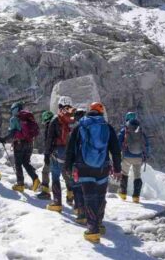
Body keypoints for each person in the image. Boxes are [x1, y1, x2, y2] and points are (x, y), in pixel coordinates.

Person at [65, 102, 121, 244]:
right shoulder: (107, 127)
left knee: (89, 197)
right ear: (101, 113)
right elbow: (115, 149)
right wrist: (117, 169)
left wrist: (68, 166)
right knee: (100, 196)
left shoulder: (80, 126)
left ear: (90, 111)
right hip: (102, 167)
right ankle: (99, 224)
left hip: (84, 167)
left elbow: (70, 148)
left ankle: (92, 230)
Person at [0, 102, 40, 192]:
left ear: (15, 109)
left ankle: (20, 184)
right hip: (30, 143)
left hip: (19, 144)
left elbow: (12, 133)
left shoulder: (14, 119)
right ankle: (35, 178)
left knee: (18, 164)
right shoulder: (28, 118)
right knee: (26, 163)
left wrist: (3, 139)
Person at [43, 99, 76, 213]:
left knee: (55, 176)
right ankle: (74, 200)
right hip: (71, 151)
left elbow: (49, 138)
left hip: (58, 151)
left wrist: (47, 154)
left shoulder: (56, 119)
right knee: (69, 174)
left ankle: (57, 203)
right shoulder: (73, 119)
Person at [118, 111, 150, 203]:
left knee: (124, 174)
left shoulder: (124, 130)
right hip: (138, 157)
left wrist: (119, 153)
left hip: (126, 156)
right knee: (137, 176)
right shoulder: (140, 130)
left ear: (126, 119)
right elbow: (146, 144)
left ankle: (123, 194)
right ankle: (136, 197)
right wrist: (145, 155)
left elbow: (119, 142)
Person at [36, 110, 55, 200]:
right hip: (61, 152)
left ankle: (45, 191)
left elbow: (48, 142)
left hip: (52, 153)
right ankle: (70, 195)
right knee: (64, 174)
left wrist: (47, 154)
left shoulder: (49, 127)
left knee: (45, 172)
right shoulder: (58, 124)